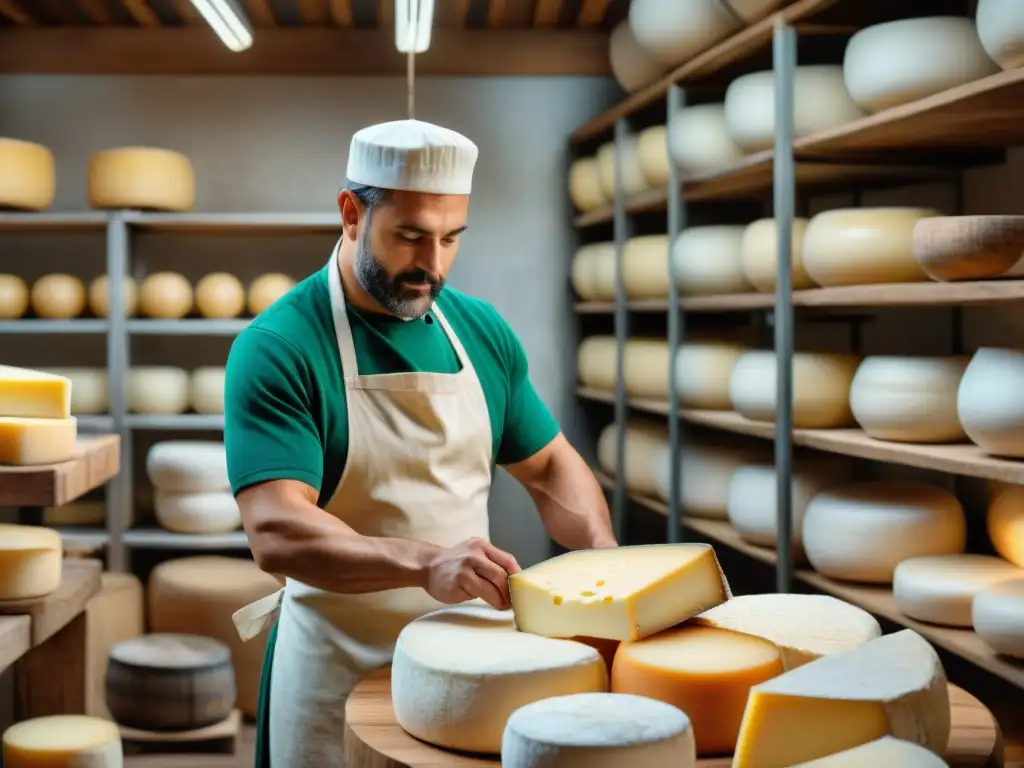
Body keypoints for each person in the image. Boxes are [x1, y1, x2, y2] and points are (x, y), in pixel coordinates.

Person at [222, 118, 617, 768]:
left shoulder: (480, 331)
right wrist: (425, 564)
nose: (432, 265)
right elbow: (276, 530)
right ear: (351, 213)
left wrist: (607, 558)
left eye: (451, 238)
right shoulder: (280, 346)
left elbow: (549, 468)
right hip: (334, 667)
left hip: (467, 673)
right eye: (409, 237)